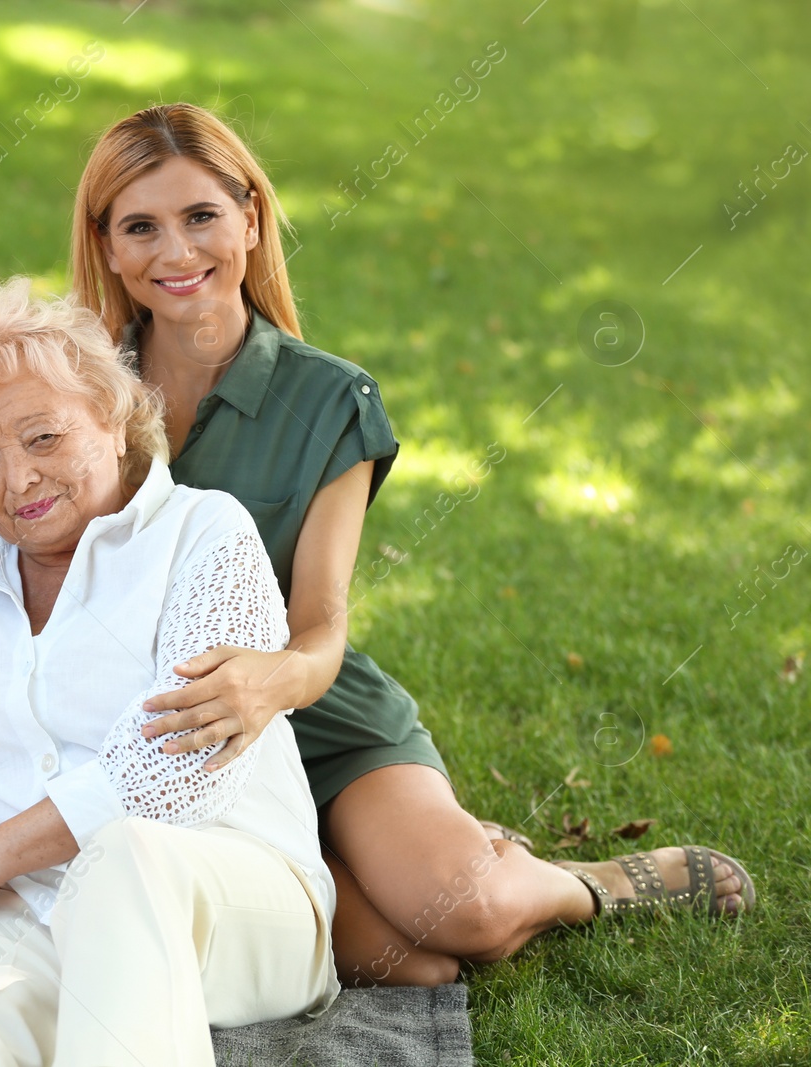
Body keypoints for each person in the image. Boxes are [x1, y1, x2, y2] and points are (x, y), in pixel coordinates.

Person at [64, 102, 755, 984]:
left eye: (201, 216)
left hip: (309, 706)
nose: (176, 252)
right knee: (415, 963)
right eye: (141, 227)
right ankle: (453, 851)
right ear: (109, 246)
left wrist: (260, 684)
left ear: (251, 216)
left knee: (469, 913)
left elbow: (318, 627)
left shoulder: (331, 400)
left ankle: (586, 883)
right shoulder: (77, 392)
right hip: (167, 734)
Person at [0, 277, 338, 1067]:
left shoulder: (204, 535)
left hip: (227, 894)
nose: (19, 481)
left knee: (123, 857)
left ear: (111, 417)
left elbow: (179, 763)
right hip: (25, 911)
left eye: (43, 438)